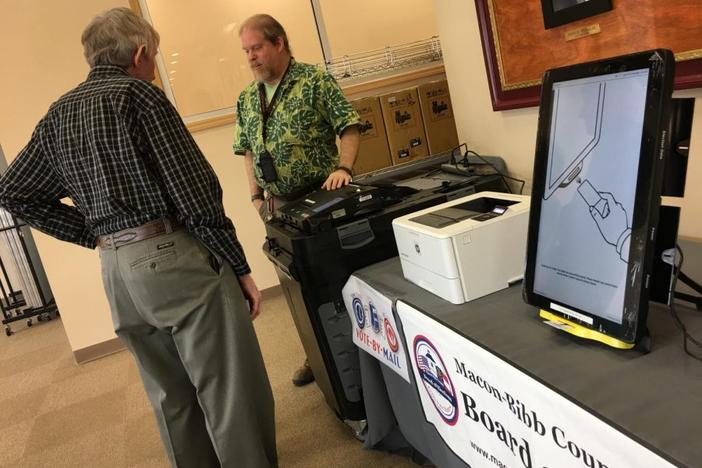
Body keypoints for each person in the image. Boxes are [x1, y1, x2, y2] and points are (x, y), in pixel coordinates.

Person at [0, 8, 276, 468]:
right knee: (229, 386)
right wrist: (239, 266)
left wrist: (93, 234)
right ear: (141, 53)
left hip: (116, 271)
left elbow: (14, 192)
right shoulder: (140, 96)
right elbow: (195, 193)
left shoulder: (58, 114)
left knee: (169, 393)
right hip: (175, 259)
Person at [233, 14, 361, 387]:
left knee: (334, 280)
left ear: (279, 43)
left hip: (319, 201)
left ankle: (356, 355)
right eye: (246, 51)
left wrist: (344, 167)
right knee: (297, 286)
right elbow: (246, 151)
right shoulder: (247, 97)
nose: (251, 57)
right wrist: (256, 196)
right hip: (277, 206)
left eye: (256, 48)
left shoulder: (314, 81)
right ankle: (318, 353)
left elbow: (349, 126)